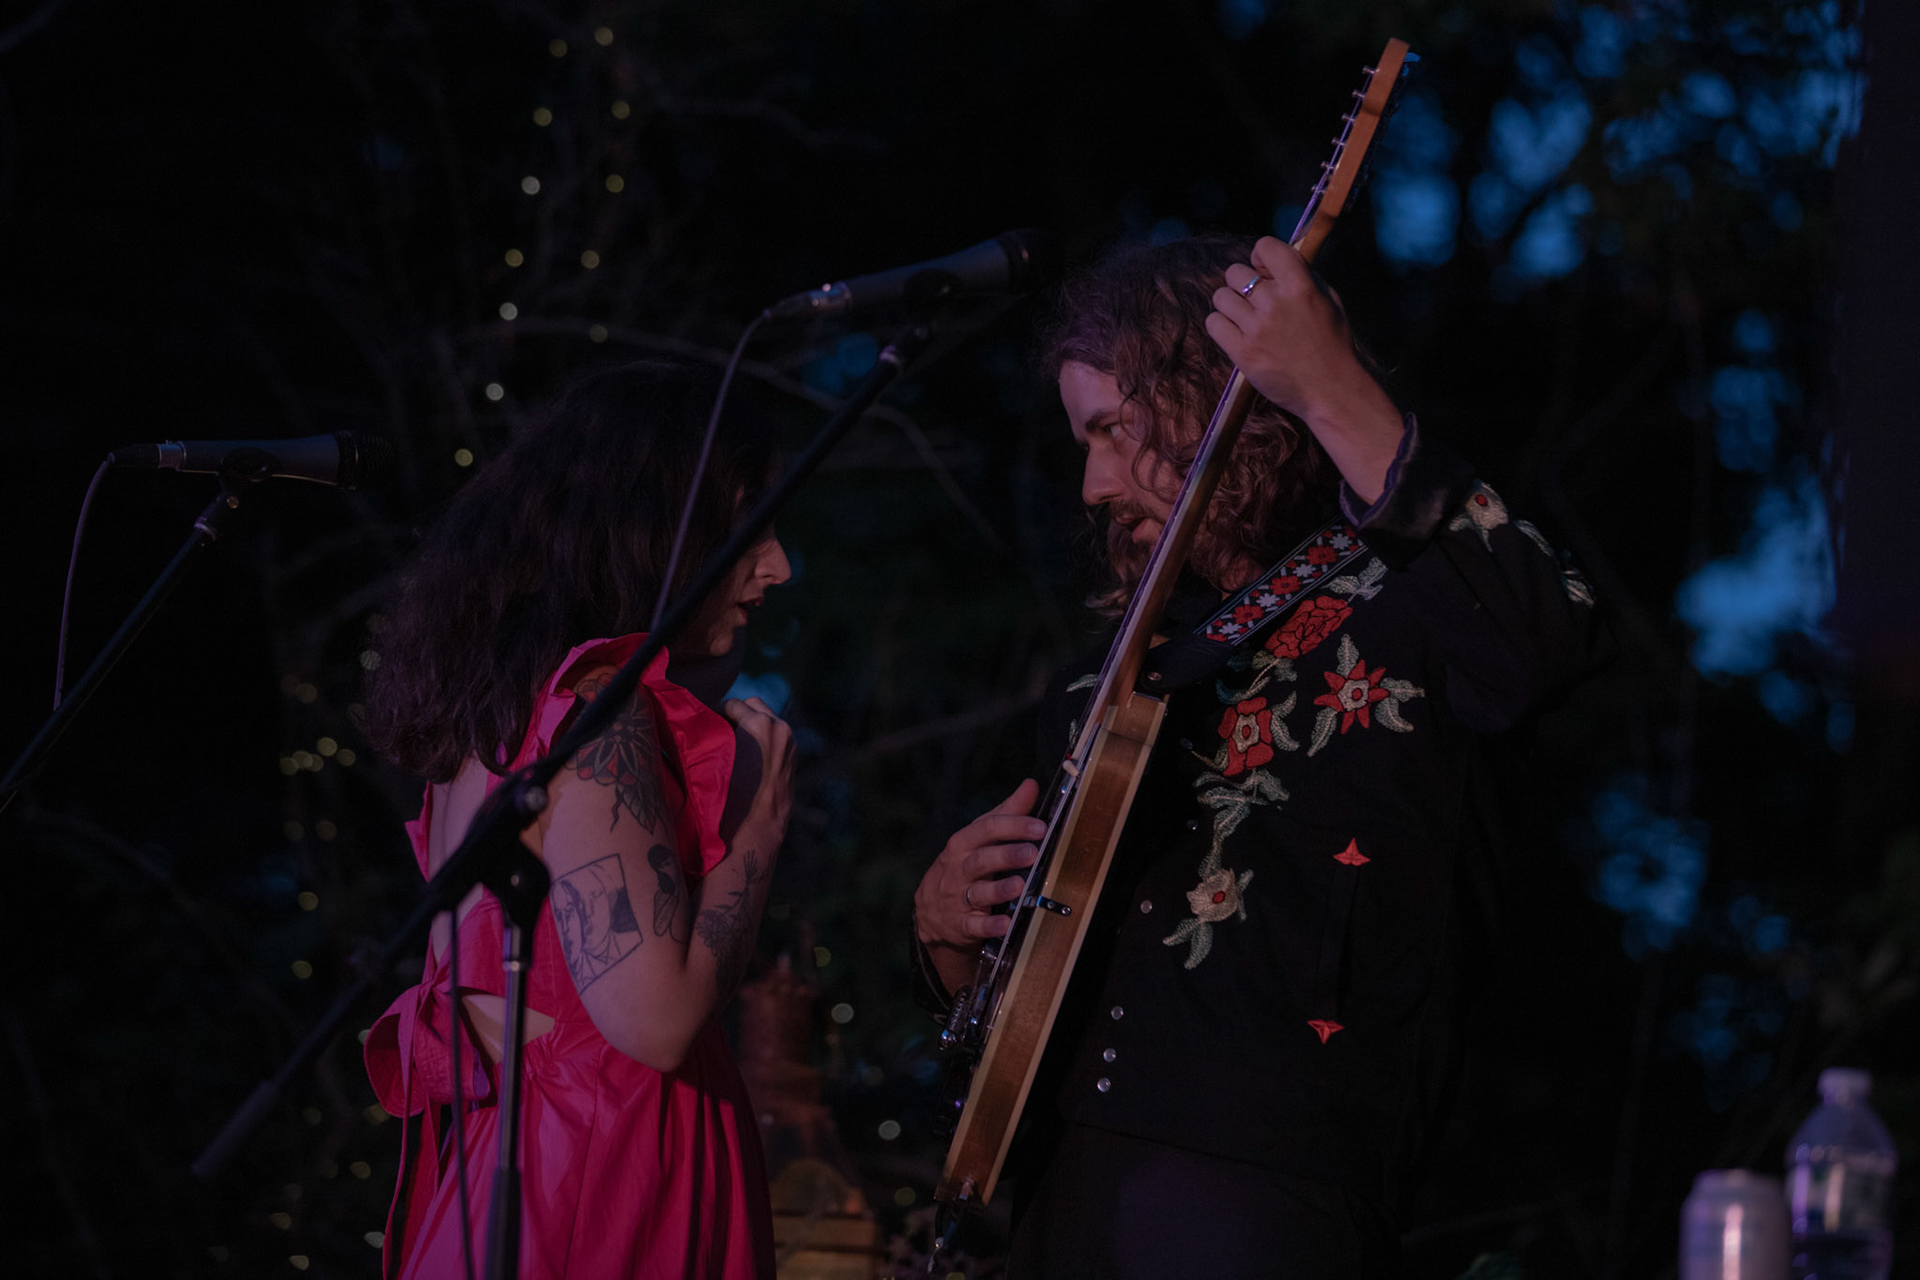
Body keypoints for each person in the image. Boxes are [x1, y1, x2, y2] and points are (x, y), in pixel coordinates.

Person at [912, 234, 1604, 1278]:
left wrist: (1330, 386)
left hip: (1268, 1188)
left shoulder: (1408, 587)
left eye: (1111, 430)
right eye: (1080, 443)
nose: (1095, 484)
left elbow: (1546, 631)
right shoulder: (1114, 677)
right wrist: (946, 938)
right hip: (1065, 1193)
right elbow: (1017, 1019)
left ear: (1207, 405)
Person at [361, 360, 794, 1279]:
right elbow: (658, 1019)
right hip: (605, 1184)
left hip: (522, 1179)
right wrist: (759, 824)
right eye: (752, 523)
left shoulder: (490, 729)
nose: (778, 565)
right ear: (652, 530)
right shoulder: (601, 709)